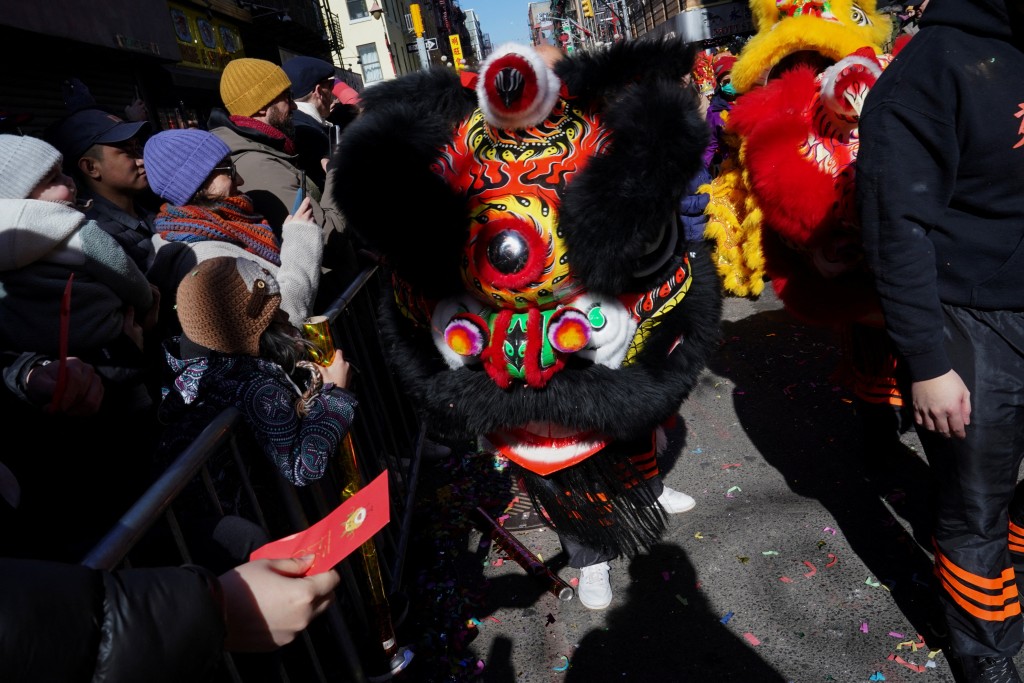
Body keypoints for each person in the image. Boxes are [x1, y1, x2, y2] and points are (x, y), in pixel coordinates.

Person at [857, 0, 1024, 680]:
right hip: (968, 319)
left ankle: (1003, 581)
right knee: (973, 505)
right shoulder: (930, 69)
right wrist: (926, 361)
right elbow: (895, 226)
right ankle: (989, 656)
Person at [0, 133, 161, 560]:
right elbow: (121, 270)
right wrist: (148, 301)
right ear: (21, 193)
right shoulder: (71, 225)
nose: (68, 184)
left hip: (49, 370)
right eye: (52, 178)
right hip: (112, 346)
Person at [156, 256, 356, 564]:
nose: (286, 316)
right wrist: (335, 396)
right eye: (275, 316)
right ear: (250, 330)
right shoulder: (255, 388)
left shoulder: (189, 371)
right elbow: (302, 465)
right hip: (270, 527)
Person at [207, 57, 359, 307]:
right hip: (325, 305)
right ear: (261, 108)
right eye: (286, 98)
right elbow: (329, 237)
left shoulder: (266, 151)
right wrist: (336, 171)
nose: (294, 107)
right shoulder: (258, 163)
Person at [144, 127, 324, 332]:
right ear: (195, 180)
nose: (240, 180)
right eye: (228, 169)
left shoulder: (210, 232)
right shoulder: (206, 258)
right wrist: (299, 238)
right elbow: (287, 315)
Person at [46, 107, 156, 272]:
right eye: (127, 152)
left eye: (136, 148)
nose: (141, 160)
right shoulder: (98, 238)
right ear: (91, 167)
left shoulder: (153, 206)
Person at [283, 55, 337, 192]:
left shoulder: (295, 125)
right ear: (319, 91)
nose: (334, 95)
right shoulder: (310, 134)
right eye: (331, 86)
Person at [702, 51, 737, 175]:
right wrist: (700, 173)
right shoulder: (714, 111)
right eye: (725, 82)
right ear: (720, 84)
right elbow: (710, 145)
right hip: (732, 168)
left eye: (733, 79)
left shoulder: (753, 98)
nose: (730, 85)